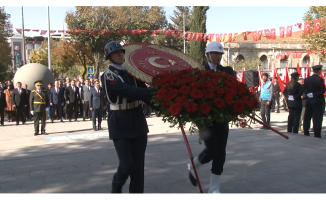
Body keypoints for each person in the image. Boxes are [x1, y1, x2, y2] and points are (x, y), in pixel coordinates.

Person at [100, 41, 154, 194]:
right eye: (115, 53)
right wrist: (152, 91)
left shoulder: (132, 73)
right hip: (119, 120)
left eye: (121, 52)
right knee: (127, 165)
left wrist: (166, 105)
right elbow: (127, 91)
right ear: (109, 57)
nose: (120, 54)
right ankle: (117, 184)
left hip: (137, 119)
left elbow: (146, 95)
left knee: (138, 168)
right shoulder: (108, 76)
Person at [187, 41, 236, 194]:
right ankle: (195, 164)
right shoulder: (198, 71)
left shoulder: (228, 71)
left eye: (220, 54)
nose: (218, 56)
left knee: (221, 152)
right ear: (207, 54)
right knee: (213, 148)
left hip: (222, 117)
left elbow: (235, 90)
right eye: (215, 53)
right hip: (205, 118)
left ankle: (214, 188)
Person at [303, 65, 325, 138]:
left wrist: (308, 94)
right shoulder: (320, 79)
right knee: (317, 118)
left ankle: (306, 132)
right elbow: (322, 90)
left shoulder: (307, 79)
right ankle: (317, 133)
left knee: (307, 117)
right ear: (319, 71)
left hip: (309, 101)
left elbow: (304, 89)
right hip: (317, 101)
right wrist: (314, 94)